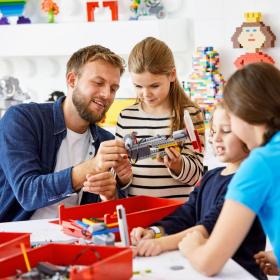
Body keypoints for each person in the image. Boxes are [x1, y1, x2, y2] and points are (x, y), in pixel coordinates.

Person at [130, 102, 267, 279]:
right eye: (213, 131)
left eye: (225, 130)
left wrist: (162, 244)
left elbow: (208, 227)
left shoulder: (247, 184)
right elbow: (186, 214)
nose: (216, 138)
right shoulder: (210, 176)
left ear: (249, 132)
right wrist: (155, 232)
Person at [0, 45, 132, 222]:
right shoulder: (22, 119)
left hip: (77, 240)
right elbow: (27, 193)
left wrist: (110, 196)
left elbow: (111, 217)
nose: (107, 94)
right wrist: (91, 166)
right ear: (72, 80)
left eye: (113, 88)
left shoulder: (105, 141)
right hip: (19, 241)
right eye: (98, 83)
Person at [178, 62, 280, 277]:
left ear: (243, 114)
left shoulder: (258, 164)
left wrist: (191, 246)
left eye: (228, 123)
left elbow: (208, 263)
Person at [115, 37, 205, 200]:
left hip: (178, 214)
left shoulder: (190, 115)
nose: (146, 93)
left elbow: (197, 175)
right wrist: (122, 177)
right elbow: (120, 178)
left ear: (172, 75)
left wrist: (177, 165)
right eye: (138, 86)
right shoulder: (125, 117)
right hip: (137, 211)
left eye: (154, 86)